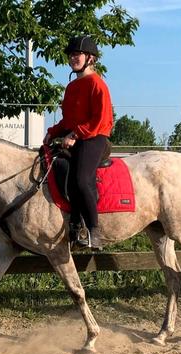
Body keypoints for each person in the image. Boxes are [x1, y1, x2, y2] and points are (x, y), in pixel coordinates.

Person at [43, 35, 113, 250]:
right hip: (76, 138)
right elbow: (68, 120)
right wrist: (52, 132)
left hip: (95, 138)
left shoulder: (97, 84)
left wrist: (74, 135)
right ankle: (74, 223)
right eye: (71, 55)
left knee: (82, 179)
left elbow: (100, 119)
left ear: (90, 58)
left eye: (77, 54)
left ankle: (94, 230)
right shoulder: (72, 87)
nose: (73, 58)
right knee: (57, 167)